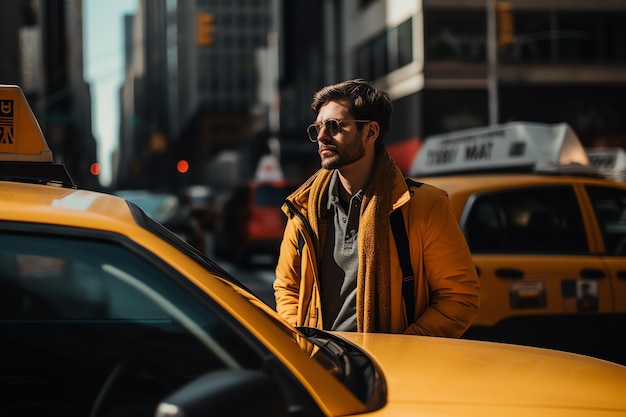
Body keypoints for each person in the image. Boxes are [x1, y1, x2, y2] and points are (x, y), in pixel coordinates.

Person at [273, 79, 479, 336]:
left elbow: (459, 298)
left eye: (335, 126)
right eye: (318, 127)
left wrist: (404, 350)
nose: (322, 137)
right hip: (319, 366)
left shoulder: (425, 206)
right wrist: (304, 340)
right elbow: (287, 288)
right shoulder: (303, 210)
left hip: (391, 369)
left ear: (370, 133)